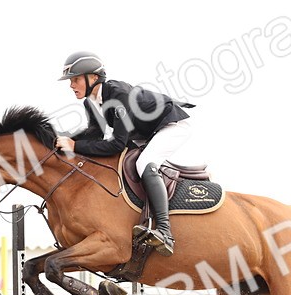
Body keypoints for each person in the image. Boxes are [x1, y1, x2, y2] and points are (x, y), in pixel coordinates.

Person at [54, 51, 194, 257]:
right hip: (146, 131)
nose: (71, 85)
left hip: (172, 124)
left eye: (75, 79)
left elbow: (117, 143)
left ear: (93, 78)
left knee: (144, 162)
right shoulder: (90, 102)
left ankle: (165, 231)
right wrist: (61, 140)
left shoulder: (118, 95)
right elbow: (94, 135)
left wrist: (74, 146)